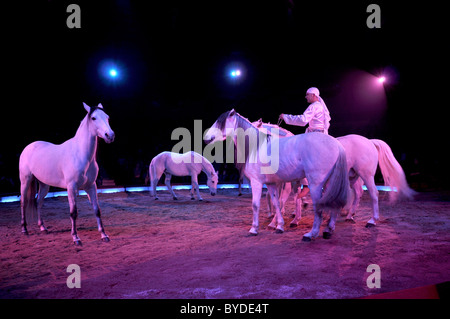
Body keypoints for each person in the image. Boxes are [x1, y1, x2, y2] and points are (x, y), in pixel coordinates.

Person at [279, 87, 331, 198]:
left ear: (313, 95)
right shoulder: (320, 106)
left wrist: (286, 117)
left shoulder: (314, 106)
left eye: (307, 94)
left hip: (314, 136)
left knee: (297, 156)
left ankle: (306, 184)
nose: (305, 96)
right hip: (318, 133)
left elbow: (303, 120)